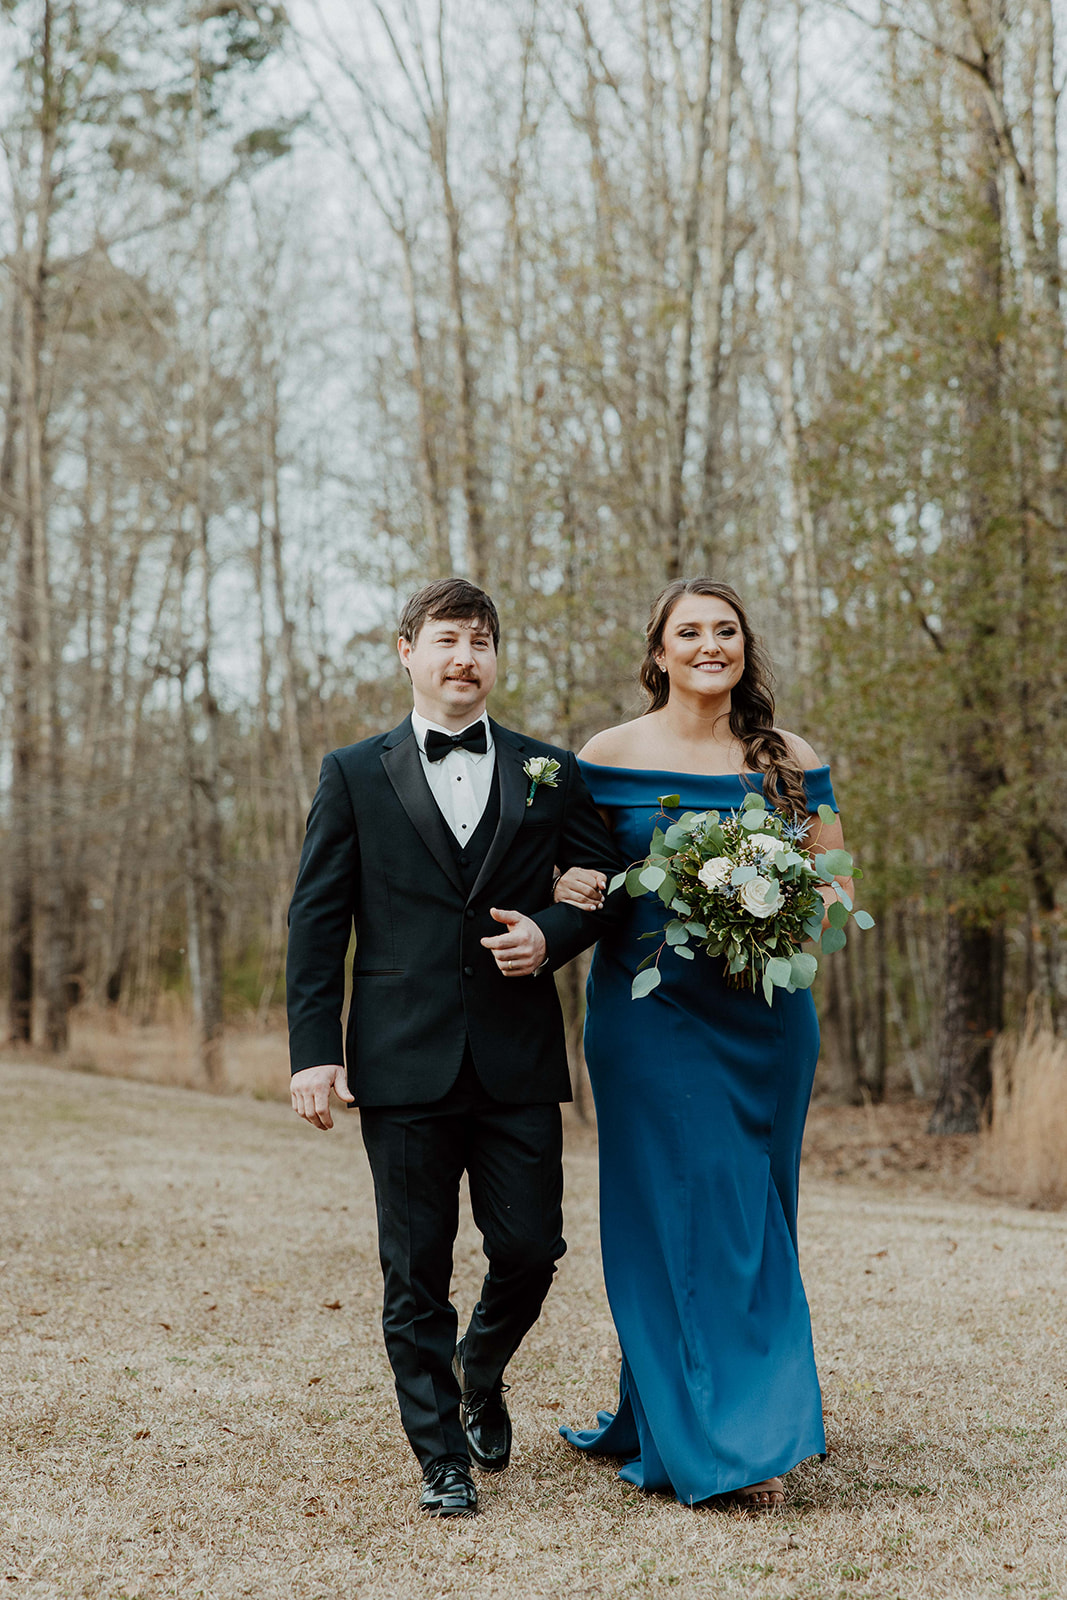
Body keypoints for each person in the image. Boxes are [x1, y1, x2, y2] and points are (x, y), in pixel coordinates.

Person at [286, 578, 622, 1520]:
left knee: (530, 1246)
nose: (463, 656)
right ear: (407, 652)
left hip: (515, 1055)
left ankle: (481, 1366)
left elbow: (603, 883)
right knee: (414, 1269)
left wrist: (551, 934)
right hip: (399, 1060)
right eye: (445, 639)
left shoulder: (548, 770)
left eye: (480, 641)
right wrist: (313, 1052)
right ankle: (441, 1460)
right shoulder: (353, 771)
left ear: (496, 658)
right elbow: (316, 921)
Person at [553, 578, 852, 1511]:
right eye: (690, 632)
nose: (708, 644)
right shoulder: (605, 755)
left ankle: (725, 1407)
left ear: (744, 648)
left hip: (764, 1021)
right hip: (649, 1022)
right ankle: (724, 1446)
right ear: (658, 653)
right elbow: (574, 883)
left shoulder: (789, 759)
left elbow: (833, 892)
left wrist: (772, 914)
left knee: (750, 1216)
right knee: (675, 1213)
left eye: (725, 630)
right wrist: (571, 898)